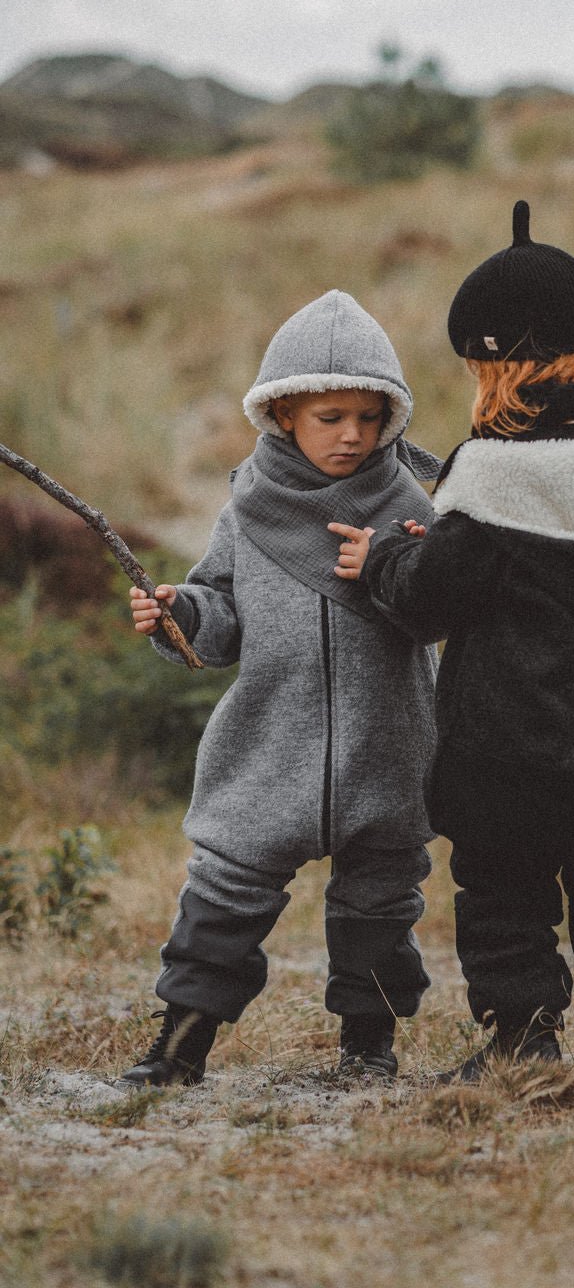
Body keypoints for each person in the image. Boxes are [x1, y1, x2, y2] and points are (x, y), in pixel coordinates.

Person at [337, 202, 574, 1084]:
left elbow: (433, 597)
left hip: (509, 749)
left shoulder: (497, 473)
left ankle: (522, 1038)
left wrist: (385, 556)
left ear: (498, 365)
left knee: (504, 900)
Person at [121, 290, 440, 1088]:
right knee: (220, 902)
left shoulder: (415, 505)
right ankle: (179, 1049)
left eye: (369, 417)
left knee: (379, 908)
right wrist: (176, 614)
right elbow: (219, 617)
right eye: (331, 416)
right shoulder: (248, 504)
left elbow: (440, 616)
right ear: (285, 411)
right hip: (268, 744)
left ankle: (368, 1050)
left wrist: (391, 567)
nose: (352, 434)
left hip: (387, 743)